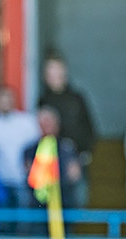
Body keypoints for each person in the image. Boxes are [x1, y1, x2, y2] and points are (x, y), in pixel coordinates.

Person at [38, 54, 95, 207]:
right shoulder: (43, 100)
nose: (55, 76)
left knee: (77, 202)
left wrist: (83, 155)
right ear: (45, 76)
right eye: (51, 72)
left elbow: (90, 128)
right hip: (50, 160)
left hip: (76, 159)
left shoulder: (77, 98)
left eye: (58, 71)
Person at [0, 86, 41, 209]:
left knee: (24, 220)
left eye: (8, 98)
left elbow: (37, 149)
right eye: (1, 99)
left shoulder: (28, 122)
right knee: (3, 221)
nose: (5, 102)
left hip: (24, 181)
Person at [23, 106, 83, 234]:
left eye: (50, 122)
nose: (47, 126)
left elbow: (74, 174)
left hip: (63, 204)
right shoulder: (30, 150)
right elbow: (30, 176)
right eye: (43, 123)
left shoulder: (67, 148)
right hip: (38, 207)